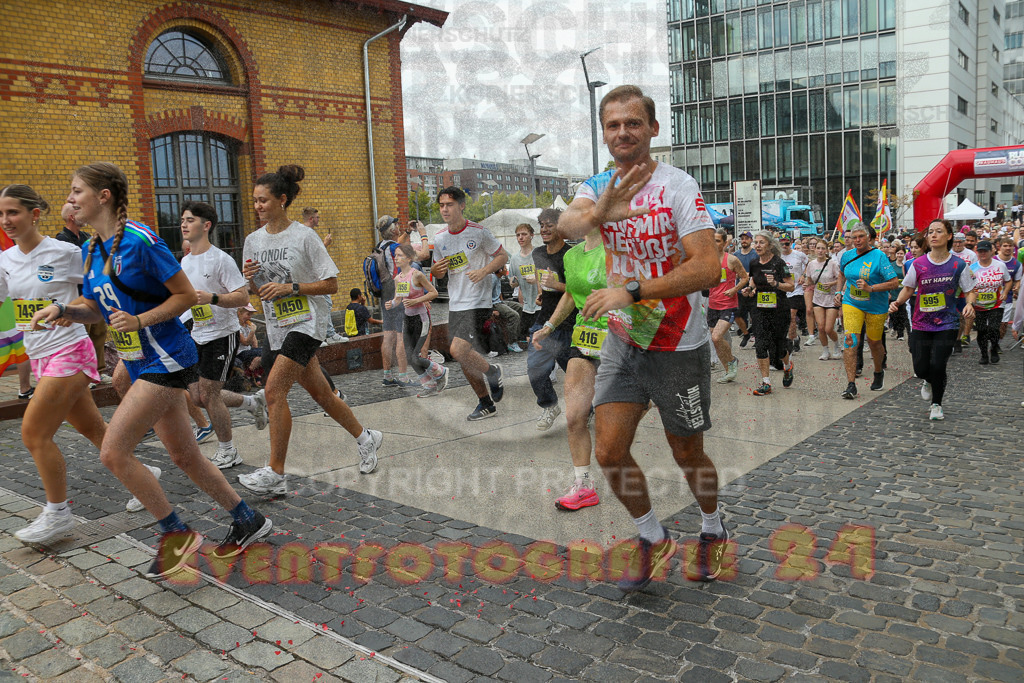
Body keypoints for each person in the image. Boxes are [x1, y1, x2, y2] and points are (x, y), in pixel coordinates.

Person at [35, 162, 273, 578]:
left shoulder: (141, 241)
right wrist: (64, 310)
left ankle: (175, 534)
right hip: (138, 359)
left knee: (113, 451)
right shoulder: (93, 249)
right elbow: (96, 305)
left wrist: (142, 321)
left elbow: (184, 297)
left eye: (76, 191)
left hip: (167, 359)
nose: (69, 199)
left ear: (103, 196)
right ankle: (248, 518)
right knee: (184, 456)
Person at [558, 85, 726, 589]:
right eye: (613, 125)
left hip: (678, 345)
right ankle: (653, 538)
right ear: (604, 134)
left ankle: (713, 529)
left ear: (653, 129)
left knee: (687, 453)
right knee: (608, 452)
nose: (623, 132)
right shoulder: (598, 185)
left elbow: (708, 267)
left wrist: (633, 290)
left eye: (633, 123)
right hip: (624, 343)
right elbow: (567, 225)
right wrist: (597, 214)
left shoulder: (677, 185)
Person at [240, 165, 383, 488]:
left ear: (282, 200)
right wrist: (251, 280)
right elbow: (257, 288)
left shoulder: (305, 236)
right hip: (277, 325)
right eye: (255, 201)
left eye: (264, 200)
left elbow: (331, 284)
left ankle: (275, 472)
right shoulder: (252, 241)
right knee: (322, 394)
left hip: (307, 322)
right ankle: (366, 437)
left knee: (274, 392)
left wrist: (292, 288)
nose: (258, 206)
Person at [0, 185, 108, 542]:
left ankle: (58, 514)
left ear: (34, 213)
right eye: (1, 215)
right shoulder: (6, 260)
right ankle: (144, 476)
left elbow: (95, 290)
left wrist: (68, 309)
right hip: (40, 355)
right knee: (95, 431)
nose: (6, 221)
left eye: (13, 212)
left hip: (71, 349)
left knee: (33, 433)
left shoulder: (64, 252)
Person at [179, 202, 268, 469]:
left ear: (206, 226)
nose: (183, 224)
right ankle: (252, 402)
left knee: (209, 394)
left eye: (190, 220)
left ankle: (228, 450)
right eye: (182, 219)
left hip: (223, 334)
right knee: (196, 396)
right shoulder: (185, 260)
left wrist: (213, 298)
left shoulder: (221, 259)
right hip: (198, 333)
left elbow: (242, 296)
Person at [531, 225, 607, 511]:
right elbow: (571, 294)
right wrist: (549, 326)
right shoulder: (573, 255)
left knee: (616, 423)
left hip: (621, 340)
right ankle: (584, 484)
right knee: (575, 416)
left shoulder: (620, 250)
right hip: (584, 337)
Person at [430, 186, 508, 421]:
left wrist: (484, 271)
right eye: (442, 205)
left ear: (462, 205)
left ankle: (493, 371)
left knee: (458, 350)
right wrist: (435, 270)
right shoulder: (440, 238)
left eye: (450, 204)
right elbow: (440, 274)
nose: (445, 209)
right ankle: (485, 402)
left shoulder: (479, 232)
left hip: (478, 301)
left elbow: (503, 256)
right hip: (456, 304)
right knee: (464, 356)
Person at [890, 219, 976, 420]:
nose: (934, 235)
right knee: (921, 368)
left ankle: (936, 404)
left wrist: (970, 304)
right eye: (930, 232)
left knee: (938, 364)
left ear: (949, 236)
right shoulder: (918, 263)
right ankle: (927, 380)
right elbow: (909, 288)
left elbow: (970, 289)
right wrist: (897, 303)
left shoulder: (958, 264)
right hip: (921, 322)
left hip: (947, 322)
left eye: (939, 231)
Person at [835, 224, 900, 399]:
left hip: (875, 306)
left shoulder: (879, 256)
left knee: (874, 342)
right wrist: (838, 291)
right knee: (850, 341)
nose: (857, 240)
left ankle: (878, 371)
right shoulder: (847, 255)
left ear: (869, 238)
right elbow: (841, 274)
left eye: (860, 237)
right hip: (852, 303)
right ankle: (850, 384)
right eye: (853, 237)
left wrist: (872, 288)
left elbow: (894, 283)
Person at [527, 208, 573, 430]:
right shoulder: (537, 253)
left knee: (575, 374)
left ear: (561, 227)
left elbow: (578, 289)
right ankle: (550, 406)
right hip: (543, 320)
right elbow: (540, 277)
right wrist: (541, 293)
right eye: (541, 225)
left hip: (569, 324)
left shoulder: (572, 254)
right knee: (535, 369)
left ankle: (589, 408)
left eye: (549, 225)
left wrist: (556, 286)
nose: (544, 230)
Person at [386, 243, 447, 397]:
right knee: (408, 356)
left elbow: (434, 293)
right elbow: (398, 299)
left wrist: (415, 301)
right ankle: (429, 385)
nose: (396, 258)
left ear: (408, 258)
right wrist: (391, 304)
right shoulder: (398, 278)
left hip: (421, 319)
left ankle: (440, 371)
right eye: (396, 255)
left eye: (400, 255)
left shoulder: (417, 275)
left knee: (416, 357)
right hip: (408, 319)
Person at [56, 202, 108, 380]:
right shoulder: (62, 239)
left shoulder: (86, 236)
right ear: (72, 217)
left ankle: (99, 371)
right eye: (78, 211)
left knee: (99, 332)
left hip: (94, 293)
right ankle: (85, 373)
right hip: (78, 296)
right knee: (84, 334)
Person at [743, 231, 796, 395]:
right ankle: (766, 383)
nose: (757, 245)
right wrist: (750, 289)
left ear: (770, 245)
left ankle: (788, 366)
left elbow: (791, 286)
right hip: (759, 309)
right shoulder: (753, 263)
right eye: (756, 243)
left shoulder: (779, 264)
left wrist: (776, 283)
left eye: (761, 243)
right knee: (760, 344)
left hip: (779, 309)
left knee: (778, 348)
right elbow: (753, 280)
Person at [375, 216, 413, 387]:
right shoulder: (396, 248)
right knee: (400, 335)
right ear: (392, 230)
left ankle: (387, 375)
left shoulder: (380, 247)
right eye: (395, 225)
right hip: (397, 289)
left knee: (388, 335)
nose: (398, 226)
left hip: (384, 292)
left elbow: (396, 244)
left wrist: (407, 232)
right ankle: (404, 377)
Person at [708, 228, 748, 383]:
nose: (714, 243)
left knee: (716, 337)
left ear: (725, 243)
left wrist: (735, 289)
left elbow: (744, 278)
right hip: (712, 305)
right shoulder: (708, 259)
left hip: (728, 304)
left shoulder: (731, 260)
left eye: (717, 241)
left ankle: (731, 363)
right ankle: (729, 368)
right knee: (716, 341)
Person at [302, 207, 347, 345]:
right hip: (315, 277)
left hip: (313, 276)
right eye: (317, 217)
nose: (318, 219)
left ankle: (326, 334)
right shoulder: (308, 234)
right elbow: (312, 256)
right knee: (322, 304)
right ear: (311, 219)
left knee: (323, 304)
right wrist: (325, 244)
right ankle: (322, 336)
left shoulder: (304, 233)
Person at [969, 240, 1011, 364]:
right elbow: (968, 286)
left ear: (991, 251)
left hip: (997, 303)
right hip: (979, 305)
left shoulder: (1000, 265)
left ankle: (993, 348)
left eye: (985, 251)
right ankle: (983, 354)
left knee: (993, 328)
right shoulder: (972, 268)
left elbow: (1008, 281)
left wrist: (1005, 292)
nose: (983, 254)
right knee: (981, 330)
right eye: (980, 251)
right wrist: (971, 296)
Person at [803, 239, 841, 359]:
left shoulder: (832, 264)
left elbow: (841, 279)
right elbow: (810, 279)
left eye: (822, 248)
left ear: (826, 250)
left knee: (828, 328)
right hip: (818, 298)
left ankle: (836, 345)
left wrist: (831, 284)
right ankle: (825, 350)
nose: (820, 251)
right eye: (818, 248)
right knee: (820, 327)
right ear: (814, 249)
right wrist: (805, 283)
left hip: (831, 298)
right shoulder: (811, 264)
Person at [508, 223, 539, 343]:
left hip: (541, 303)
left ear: (532, 235)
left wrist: (536, 280)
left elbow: (549, 277)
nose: (521, 237)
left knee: (540, 337)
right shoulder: (515, 259)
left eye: (524, 234)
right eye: (518, 235)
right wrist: (513, 282)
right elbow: (512, 280)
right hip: (526, 305)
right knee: (528, 338)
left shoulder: (538, 253)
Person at [780, 235, 809, 352]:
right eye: (782, 244)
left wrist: (804, 275)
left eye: (787, 244)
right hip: (783, 289)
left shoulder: (799, 255)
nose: (784, 246)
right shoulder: (777, 256)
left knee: (792, 316)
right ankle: (795, 337)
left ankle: (789, 342)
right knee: (784, 317)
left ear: (791, 243)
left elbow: (808, 264)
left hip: (796, 289)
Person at [995, 236, 1022, 342]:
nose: (1007, 248)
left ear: (1013, 248)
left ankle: (997, 343)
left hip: (1008, 297)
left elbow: (1018, 279)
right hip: (992, 297)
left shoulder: (1017, 264)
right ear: (1000, 247)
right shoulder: (993, 260)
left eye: (1010, 246)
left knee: (1003, 323)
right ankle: (993, 342)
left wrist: (1017, 287)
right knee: (992, 323)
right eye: (1005, 246)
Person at [733, 231, 758, 347]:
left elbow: (758, 272)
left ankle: (757, 338)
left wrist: (746, 275)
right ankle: (746, 333)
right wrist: (737, 275)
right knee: (737, 315)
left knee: (755, 316)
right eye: (742, 238)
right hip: (739, 290)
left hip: (753, 289)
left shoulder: (755, 254)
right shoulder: (736, 255)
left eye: (746, 238)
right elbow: (732, 270)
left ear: (751, 240)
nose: (744, 240)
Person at [489, 269, 522, 353]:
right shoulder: (493, 278)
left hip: (500, 302)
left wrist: (503, 302)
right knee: (514, 315)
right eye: (505, 268)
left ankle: (516, 336)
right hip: (494, 304)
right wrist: (491, 310)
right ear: (500, 270)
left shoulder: (498, 278)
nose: (506, 270)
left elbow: (498, 293)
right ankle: (511, 342)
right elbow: (487, 295)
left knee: (519, 307)